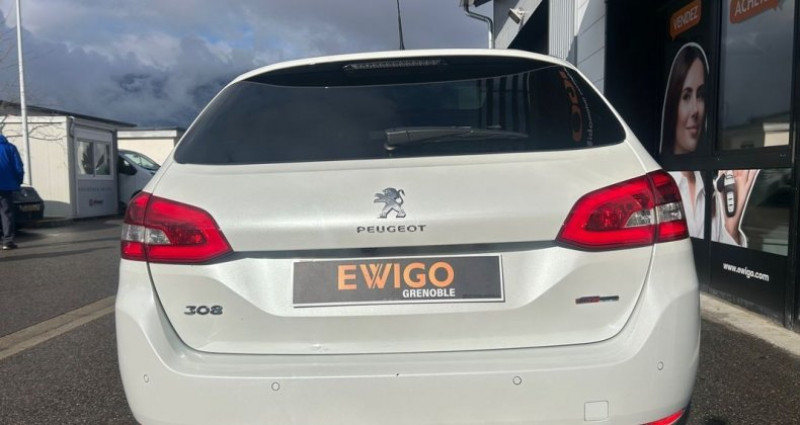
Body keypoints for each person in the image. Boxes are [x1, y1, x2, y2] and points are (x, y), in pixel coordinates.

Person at [661, 43, 708, 239]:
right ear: (673, 103)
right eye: (686, 96)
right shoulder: (661, 185)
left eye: (701, 95)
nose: (695, 110)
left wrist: (731, 225)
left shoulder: (710, 187)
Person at [0, 134, 24, 250]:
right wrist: (18, 181)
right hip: (6, 186)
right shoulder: (10, 148)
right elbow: (18, 166)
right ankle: (8, 241)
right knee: (6, 213)